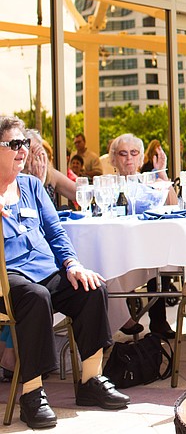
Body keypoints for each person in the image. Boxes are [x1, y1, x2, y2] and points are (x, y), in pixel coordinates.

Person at [0, 116, 129, 428]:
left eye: (25, 144)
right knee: (35, 296)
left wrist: (72, 264)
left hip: (43, 270)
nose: (23, 152)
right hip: (8, 277)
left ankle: (90, 381)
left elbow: (57, 234)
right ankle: (32, 395)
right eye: (15, 145)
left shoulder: (31, 186)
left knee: (91, 286)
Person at [110, 133, 178, 339]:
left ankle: (158, 320)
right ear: (114, 159)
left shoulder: (149, 182)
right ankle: (116, 320)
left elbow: (173, 205)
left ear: (141, 159)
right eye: (123, 154)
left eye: (134, 153)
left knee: (166, 255)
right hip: (118, 246)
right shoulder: (106, 186)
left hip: (146, 246)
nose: (128, 158)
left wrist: (162, 174)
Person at [22, 129, 76, 204]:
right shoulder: (15, 177)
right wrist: (38, 180)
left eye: (38, 150)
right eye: (31, 150)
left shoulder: (49, 173)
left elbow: (77, 193)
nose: (35, 155)